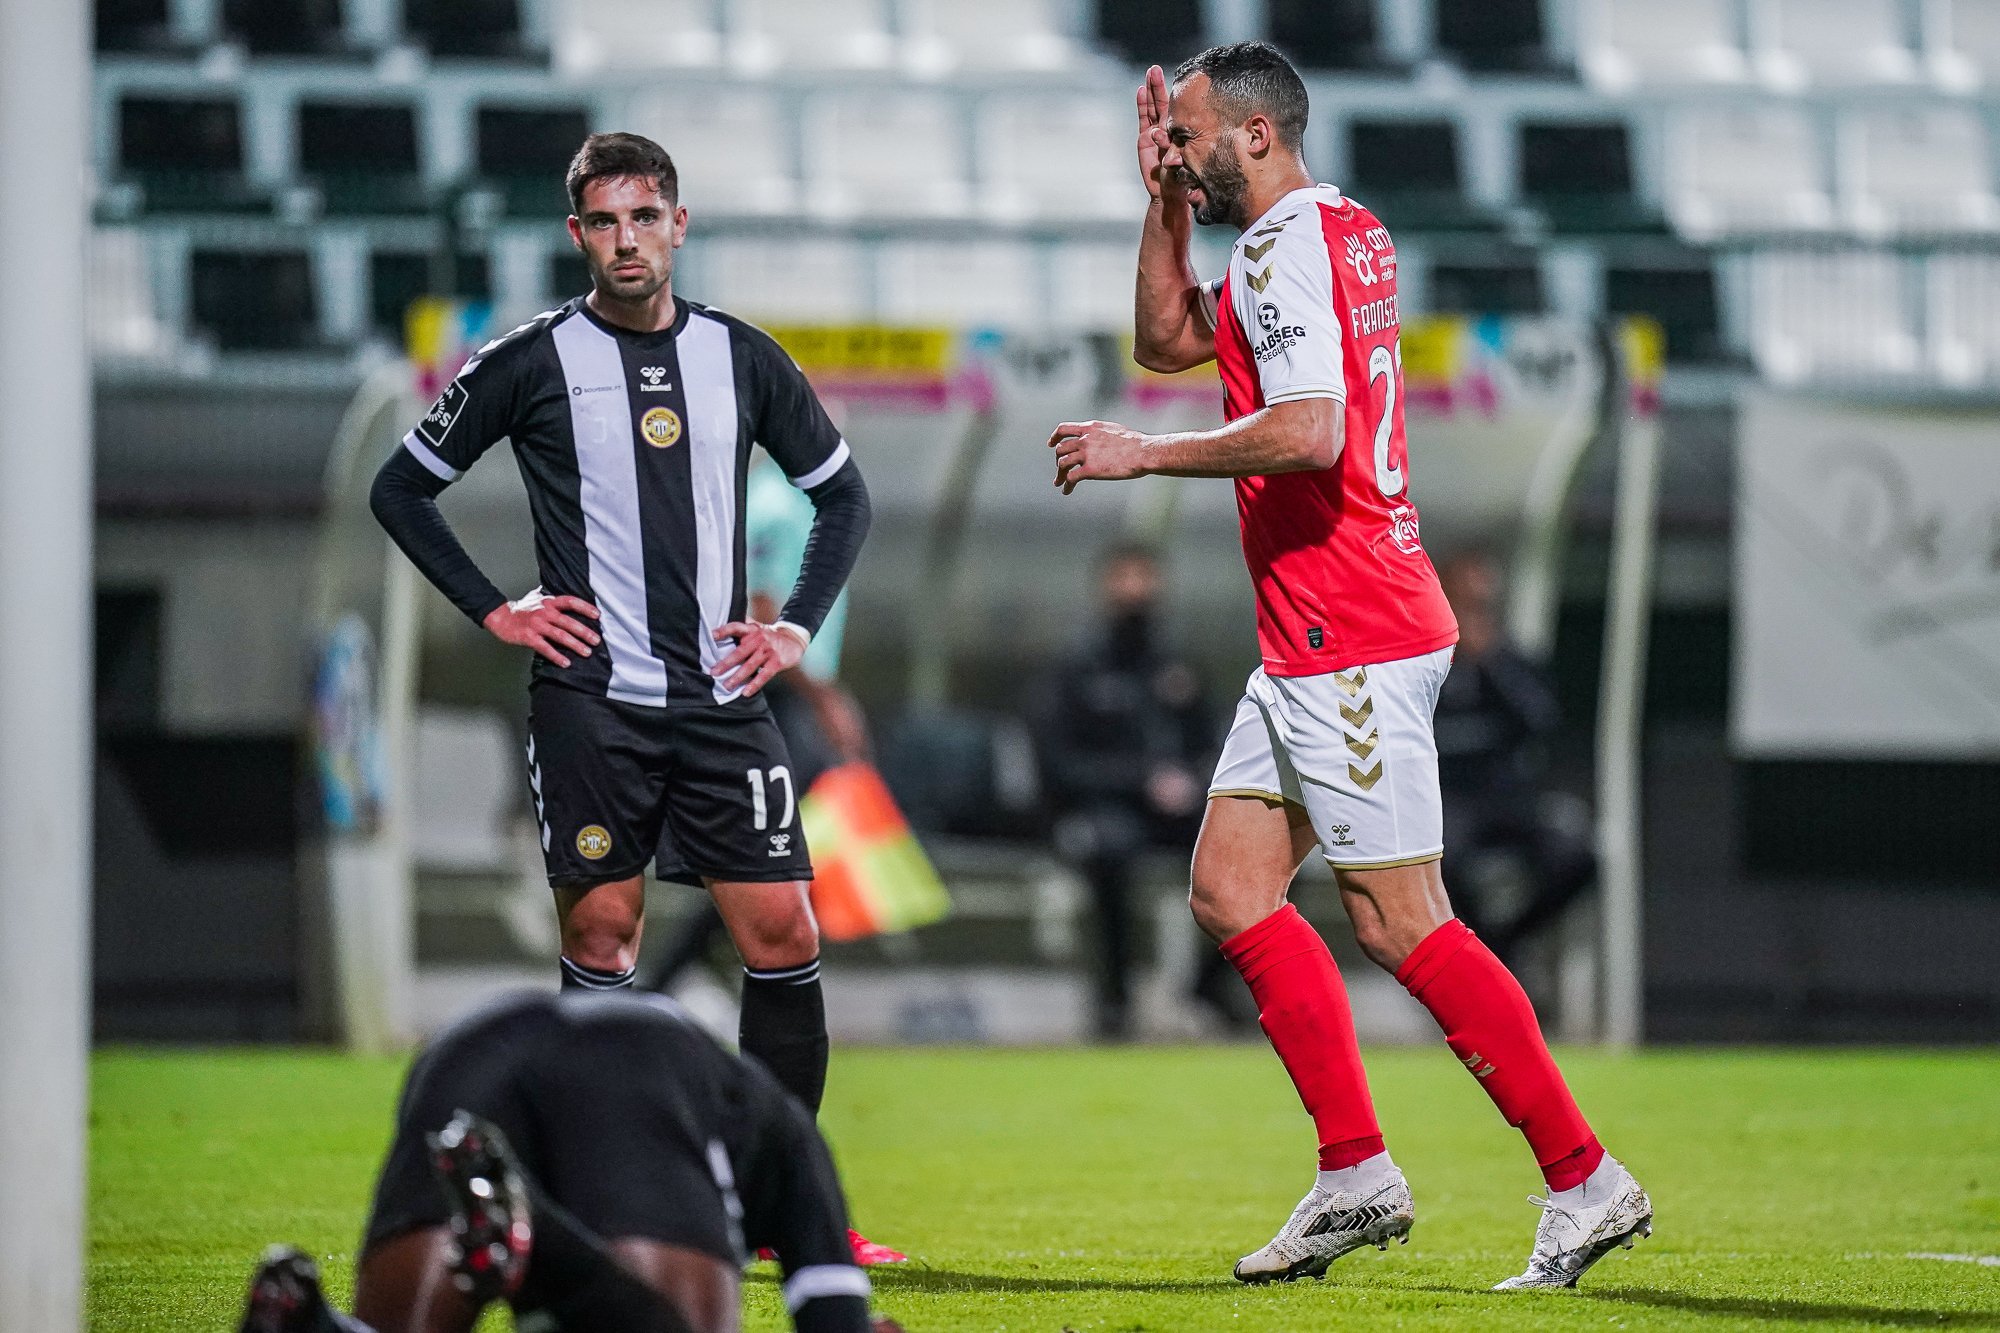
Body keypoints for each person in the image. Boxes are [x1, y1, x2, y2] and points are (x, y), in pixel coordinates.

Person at [1046, 43, 1652, 1290]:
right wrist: (1160, 197)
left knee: (1400, 918)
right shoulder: (1342, 229)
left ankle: (1584, 1178)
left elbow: (1311, 430)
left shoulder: (1280, 253)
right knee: (1229, 888)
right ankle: (1353, 1174)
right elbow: (1165, 339)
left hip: (1350, 630)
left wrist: (1140, 455)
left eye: (1191, 137)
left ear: (1256, 134)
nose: (1180, 151)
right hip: (1315, 632)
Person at [369, 133, 892, 1262]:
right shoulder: (528, 361)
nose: (626, 241)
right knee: (603, 939)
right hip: (591, 701)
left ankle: (780, 1212)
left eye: (644, 217)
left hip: (721, 700)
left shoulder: (741, 357)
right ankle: (619, 1202)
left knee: (784, 932)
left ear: (678, 225)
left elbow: (843, 496)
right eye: (604, 222)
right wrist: (494, 609)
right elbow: (401, 487)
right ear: (577, 235)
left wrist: (794, 627)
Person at [236, 990, 900, 1333]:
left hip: (468, 1047)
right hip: (638, 1069)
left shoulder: (771, 1120)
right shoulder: (790, 1143)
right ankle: (540, 1239)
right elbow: (835, 1318)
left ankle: (312, 1322)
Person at [649, 454, 873, 997]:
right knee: (770, 859)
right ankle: (691, 982)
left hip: (782, 693)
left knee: (782, 855)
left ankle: (730, 975)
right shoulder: (777, 504)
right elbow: (764, 608)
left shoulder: (789, 501)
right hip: (776, 695)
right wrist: (825, 698)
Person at [1033, 540, 1215, 1040]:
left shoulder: (1178, 664)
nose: (1136, 591)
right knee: (1109, 852)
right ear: (1104, 587)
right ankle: (1114, 999)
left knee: (1261, 851)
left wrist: (1195, 782)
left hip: (1180, 812)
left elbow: (1215, 740)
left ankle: (1213, 986)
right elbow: (1059, 763)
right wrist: (1141, 780)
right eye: (1124, 579)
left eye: (1145, 579)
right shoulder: (1078, 666)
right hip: (1108, 809)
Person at [1434, 552, 1598, 962]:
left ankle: (1503, 943)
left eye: (1483, 605)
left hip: (1505, 796)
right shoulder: (1415, 666)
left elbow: (1542, 720)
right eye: (1464, 603)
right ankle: (1477, 948)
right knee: (1438, 856)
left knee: (1574, 854)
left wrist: (1490, 662)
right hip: (1442, 800)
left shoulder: (1510, 662)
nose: (1473, 616)